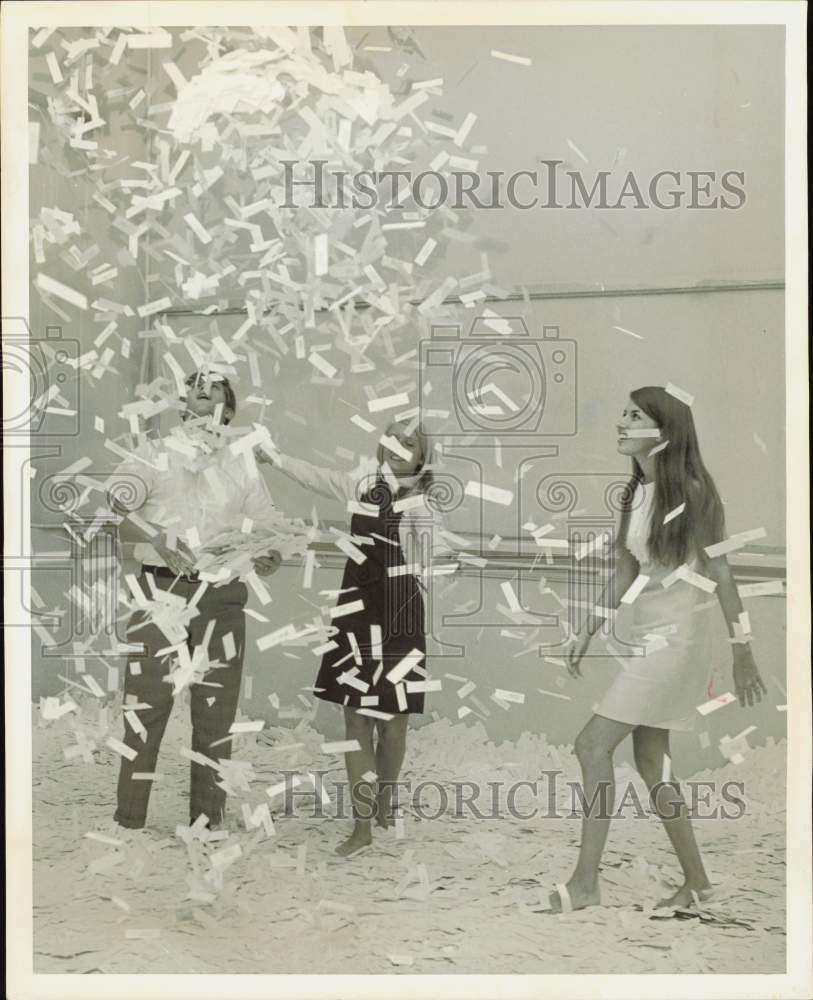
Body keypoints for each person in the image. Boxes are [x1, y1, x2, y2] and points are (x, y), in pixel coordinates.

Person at [550, 386, 767, 913]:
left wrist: (743, 651)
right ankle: (696, 882)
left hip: (679, 640)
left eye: (634, 416)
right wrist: (589, 628)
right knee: (651, 760)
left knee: (591, 745)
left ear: (664, 431)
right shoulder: (633, 494)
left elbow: (720, 571)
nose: (620, 424)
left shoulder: (694, 491)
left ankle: (584, 883)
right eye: (622, 414)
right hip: (648, 637)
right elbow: (626, 570)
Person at [256, 418, 456, 855]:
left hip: (400, 614)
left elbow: (434, 561)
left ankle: (384, 803)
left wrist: (434, 565)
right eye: (394, 439)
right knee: (355, 719)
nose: (399, 448)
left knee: (394, 721)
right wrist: (271, 457)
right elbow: (316, 476)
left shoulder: (423, 505)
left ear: (422, 457)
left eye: (410, 443)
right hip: (356, 610)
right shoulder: (363, 484)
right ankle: (362, 826)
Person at [108, 370, 282, 832]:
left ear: (228, 404)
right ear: (185, 398)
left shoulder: (243, 462)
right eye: (196, 383)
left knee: (215, 716)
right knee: (144, 713)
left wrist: (269, 554)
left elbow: (267, 525)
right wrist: (157, 537)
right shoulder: (154, 451)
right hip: (158, 594)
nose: (203, 388)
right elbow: (116, 503)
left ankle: (206, 825)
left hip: (222, 597)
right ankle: (129, 823)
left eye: (216, 385)